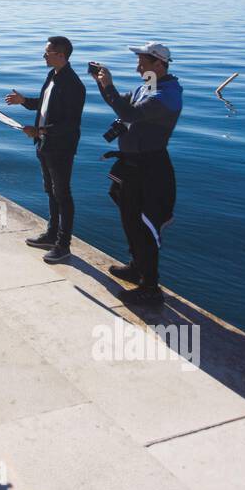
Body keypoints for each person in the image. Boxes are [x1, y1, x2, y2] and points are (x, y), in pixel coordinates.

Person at [88, 41, 184, 304]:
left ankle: (151, 288)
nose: (137, 65)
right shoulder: (148, 87)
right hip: (131, 165)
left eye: (142, 60)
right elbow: (120, 104)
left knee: (145, 225)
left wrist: (107, 83)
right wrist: (101, 82)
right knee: (129, 218)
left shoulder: (168, 95)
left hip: (150, 169)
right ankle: (136, 267)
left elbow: (128, 111)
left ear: (158, 63)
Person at [5, 36, 86, 265]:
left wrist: (39, 131)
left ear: (60, 55)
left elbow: (69, 124)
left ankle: (63, 245)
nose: (43, 55)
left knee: (63, 194)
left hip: (60, 148)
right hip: (45, 145)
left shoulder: (74, 85)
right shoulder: (53, 75)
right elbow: (45, 103)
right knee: (50, 191)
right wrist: (23, 101)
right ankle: (51, 234)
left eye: (47, 52)